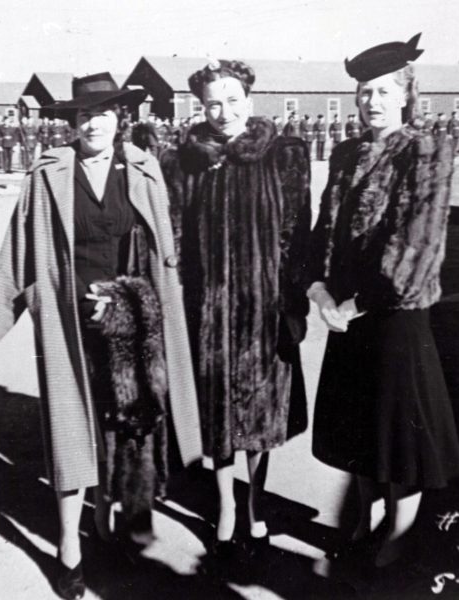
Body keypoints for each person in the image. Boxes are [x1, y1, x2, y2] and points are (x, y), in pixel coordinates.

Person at [0, 72, 202, 600]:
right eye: (83, 115)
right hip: (69, 320)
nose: (93, 123)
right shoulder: (48, 171)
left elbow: (165, 247)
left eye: (103, 113)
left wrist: (156, 303)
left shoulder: (144, 169)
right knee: (72, 431)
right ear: (72, 123)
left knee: (126, 426)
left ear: (119, 118)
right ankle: (68, 552)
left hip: (129, 321)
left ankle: (111, 526)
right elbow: (20, 243)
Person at [308, 33, 459, 568]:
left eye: (381, 91)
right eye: (362, 93)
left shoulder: (426, 151)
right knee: (357, 430)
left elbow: (414, 246)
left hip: (392, 317)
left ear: (404, 94)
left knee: (399, 437)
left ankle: (397, 538)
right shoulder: (346, 152)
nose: (370, 102)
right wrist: (317, 287)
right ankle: (366, 519)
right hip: (344, 312)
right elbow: (325, 229)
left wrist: (350, 307)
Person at [160, 59, 310, 556]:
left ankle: (255, 504)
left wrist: (291, 303)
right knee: (217, 412)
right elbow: (174, 239)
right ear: (200, 108)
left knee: (262, 415)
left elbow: (295, 235)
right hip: (206, 311)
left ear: (248, 98)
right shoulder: (184, 160)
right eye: (211, 104)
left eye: (231, 100)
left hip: (263, 311)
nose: (222, 112)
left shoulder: (283, 155)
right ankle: (225, 502)